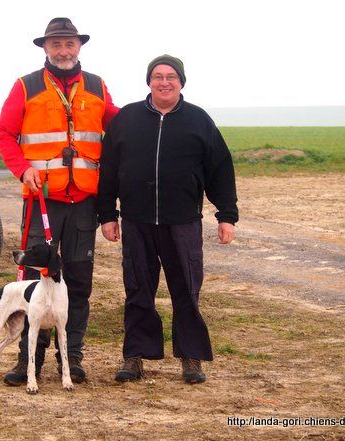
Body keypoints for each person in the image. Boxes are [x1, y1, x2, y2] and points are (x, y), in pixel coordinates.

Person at [96, 55, 239, 384]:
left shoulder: (198, 120)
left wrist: (226, 215)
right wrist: (107, 214)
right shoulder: (127, 119)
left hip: (183, 222)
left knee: (186, 290)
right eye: (157, 76)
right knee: (138, 289)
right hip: (136, 220)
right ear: (149, 81)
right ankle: (135, 357)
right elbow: (109, 171)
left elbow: (220, 170)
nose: (164, 82)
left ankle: (191, 358)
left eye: (171, 76)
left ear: (181, 82)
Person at [0, 17, 118, 386]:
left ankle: (72, 358)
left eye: (69, 44)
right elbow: (3, 133)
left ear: (79, 47)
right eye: (56, 44)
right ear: (45, 48)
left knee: (77, 282)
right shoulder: (25, 86)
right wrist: (21, 170)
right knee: (34, 280)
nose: (63, 50)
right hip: (41, 201)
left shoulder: (97, 86)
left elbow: (121, 126)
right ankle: (27, 360)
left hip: (83, 202)